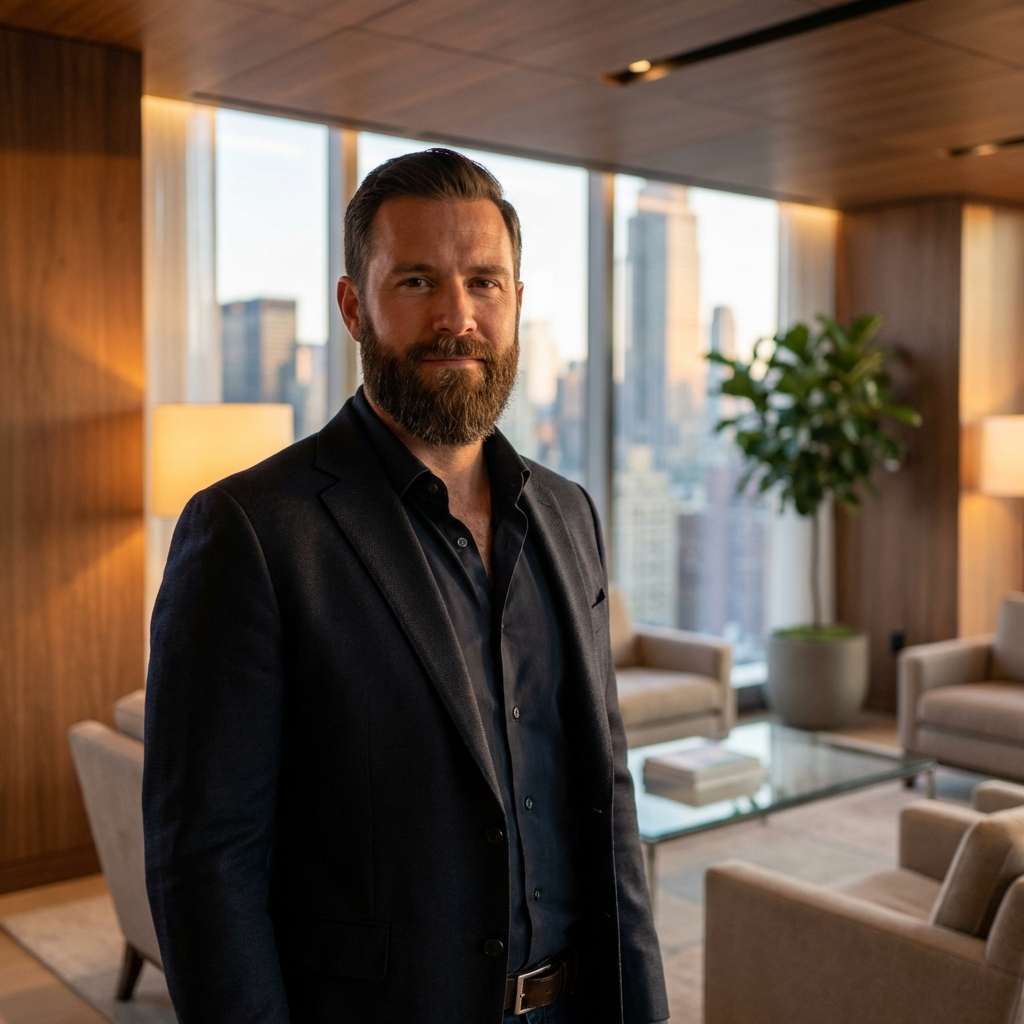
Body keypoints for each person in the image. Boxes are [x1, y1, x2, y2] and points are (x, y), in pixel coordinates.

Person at [143, 148, 669, 1024]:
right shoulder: (253, 533)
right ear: (355, 306)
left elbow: (608, 807)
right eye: (419, 282)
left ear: (518, 303)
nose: (457, 318)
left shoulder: (569, 516)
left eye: (485, 283)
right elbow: (207, 869)